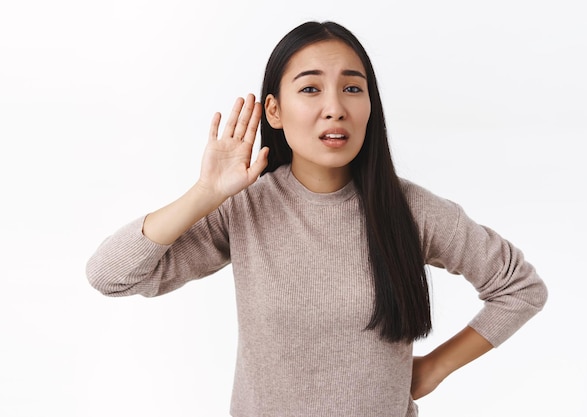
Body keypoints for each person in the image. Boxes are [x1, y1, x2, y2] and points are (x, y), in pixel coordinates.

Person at [86, 21, 548, 417]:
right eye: (310, 88)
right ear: (274, 111)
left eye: (352, 87)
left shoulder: (412, 211)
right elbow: (111, 276)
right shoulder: (246, 208)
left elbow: (520, 289)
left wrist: (432, 369)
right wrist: (204, 194)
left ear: (370, 106)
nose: (335, 107)